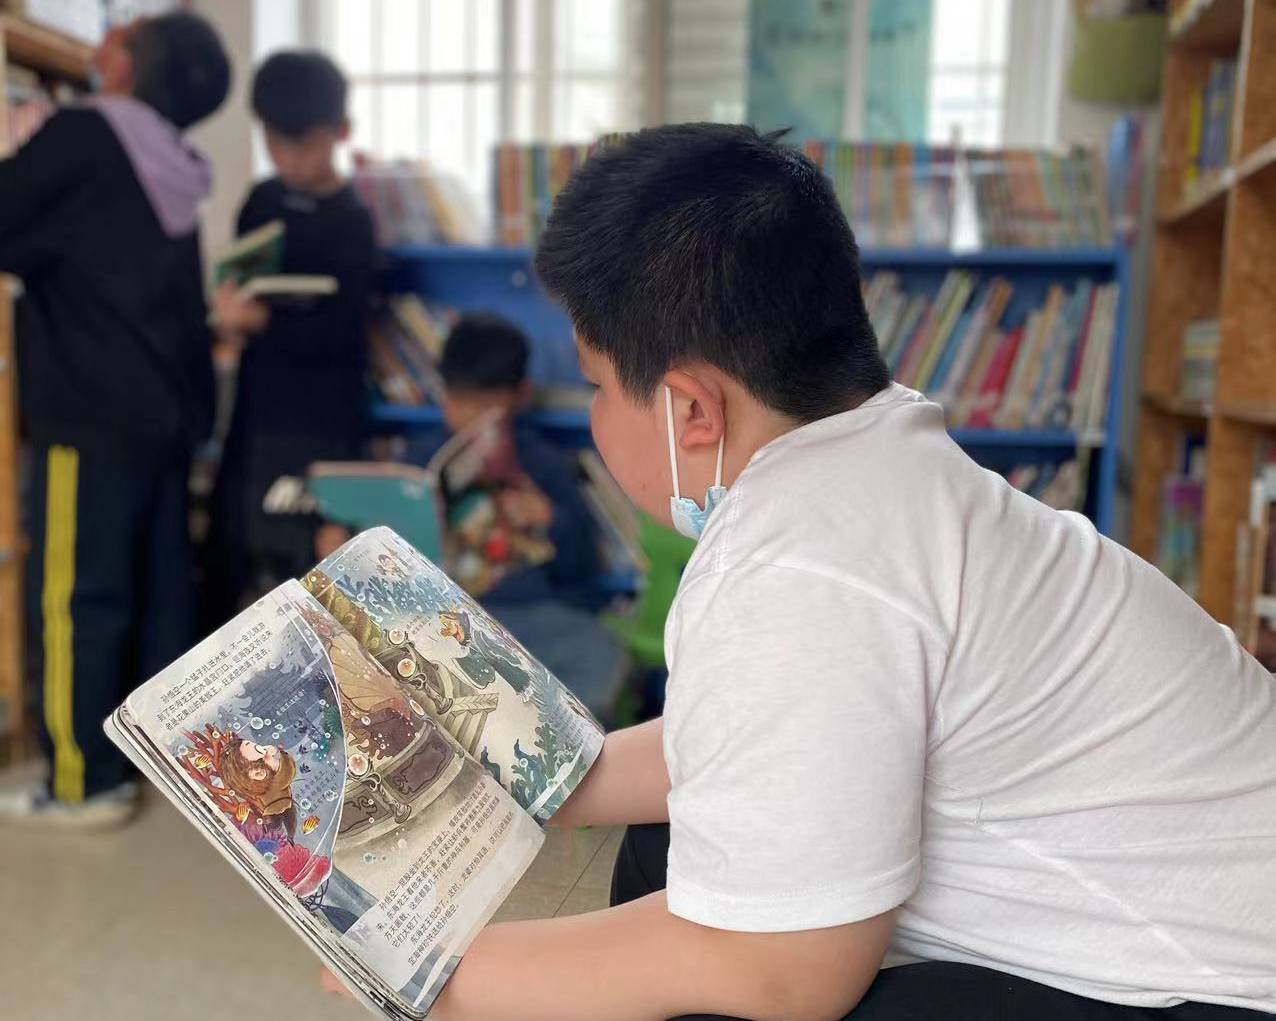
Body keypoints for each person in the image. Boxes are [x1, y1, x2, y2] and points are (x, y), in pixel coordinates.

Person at [411, 125, 1276, 1020]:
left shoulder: (797, 560)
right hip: (1222, 930)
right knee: (671, 852)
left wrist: (432, 970)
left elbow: (780, 972)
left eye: (595, 384)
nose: (592, 410)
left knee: (733, 984)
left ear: (691, 409)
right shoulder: (878, 454)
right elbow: (756, 736)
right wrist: (539, 777)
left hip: (1229, 991)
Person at [0, 13, 230, 826]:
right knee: (157, 588)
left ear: (128, 66)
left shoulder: (83, 135)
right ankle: (161, 758)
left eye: (116, 36)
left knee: (77, 595)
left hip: (88, 409)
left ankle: (84, 781)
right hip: (166, 409)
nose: (99, 45)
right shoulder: (172, 159)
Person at [203, 50, 375, 625]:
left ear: (341, 133)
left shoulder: (353, 220)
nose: (289, 161)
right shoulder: (262, 201)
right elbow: (236, 284)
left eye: (305, 146)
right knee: (237, 549)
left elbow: (344, 333)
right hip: (257, 414)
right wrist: (229, 316)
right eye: (276, 144)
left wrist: (264, 323)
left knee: (313, 570)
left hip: (324, 421)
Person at [402, 313, 624, 719]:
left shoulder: (542, 462)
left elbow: (583, 570)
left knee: (595, 654)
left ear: (520, 395)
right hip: (444, 618)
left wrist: (550, 518)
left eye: (486, 404)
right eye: (457, 400)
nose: (470, 415)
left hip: (533, 615)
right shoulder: (418, 463)